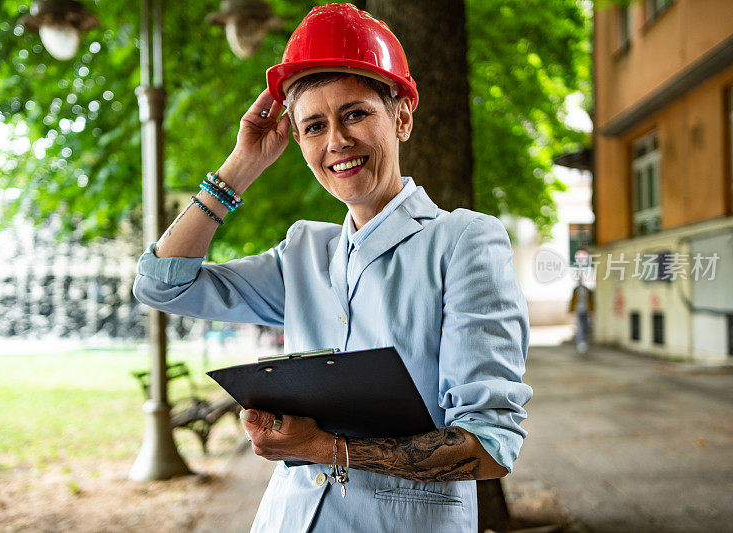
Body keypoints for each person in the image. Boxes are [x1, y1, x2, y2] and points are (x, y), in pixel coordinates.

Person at [133, 4, 531, 531]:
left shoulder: (463, 242)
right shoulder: (303, 253)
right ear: (296, 141)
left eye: (356, 113)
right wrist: (240, 168)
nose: (336, 141)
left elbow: (490, 446)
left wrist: (326, 448)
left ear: (402, 118)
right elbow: (162, 286)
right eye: (313, 126)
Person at [568, 274, 594, 354]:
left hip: (585, 310)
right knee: (580, 326)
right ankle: (581, 342)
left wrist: (591, 310)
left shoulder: (586, 289)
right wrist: (571, 310)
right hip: (578, 310)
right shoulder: (575, 290)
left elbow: (590, 300)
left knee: (585, 326)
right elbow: (572, 300)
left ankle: (583, 341)